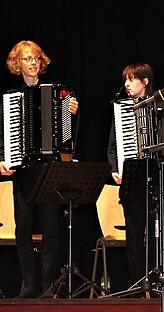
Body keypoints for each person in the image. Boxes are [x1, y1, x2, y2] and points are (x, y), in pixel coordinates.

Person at [0, 40, 79, 298]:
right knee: (22, 228)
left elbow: (66, 136)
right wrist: (2, 157)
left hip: (49, 170)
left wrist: (71, 112)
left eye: (36, 58)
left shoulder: (57, 92)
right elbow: (3, 135)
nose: (33, 63)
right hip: (23, 171)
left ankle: (47, 285)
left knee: (51, 228)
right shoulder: (12, 98)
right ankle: (28, 283)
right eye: (27, 59)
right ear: (17, 64)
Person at [106, 63, 164, 286]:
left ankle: (157, 277)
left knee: (157, 234)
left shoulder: (163, 105)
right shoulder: (122, 109)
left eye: (131, 79)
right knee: (133, 235)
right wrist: (115, 168)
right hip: (132, 176)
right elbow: (113, 146)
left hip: (158, 176)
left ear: (145, 81)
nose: (126, 84)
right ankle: (137, 283)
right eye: (125, 80)